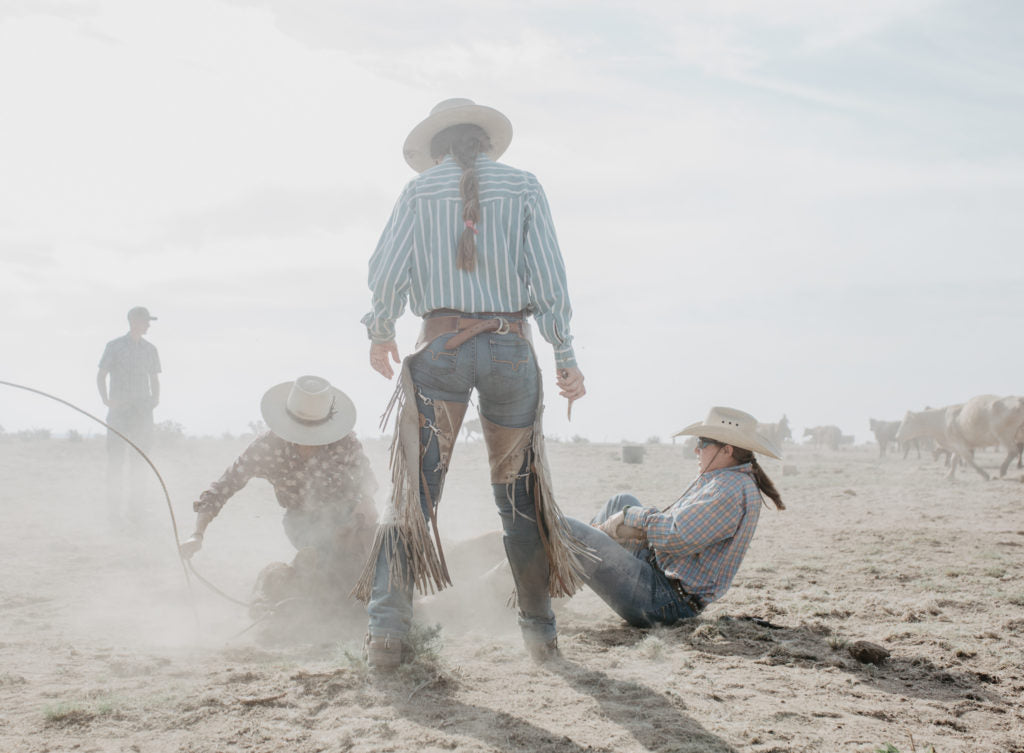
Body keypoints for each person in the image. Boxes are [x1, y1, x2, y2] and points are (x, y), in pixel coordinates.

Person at [353, 97, 588, 669]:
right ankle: (540, 634)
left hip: (439, 349)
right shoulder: (525, 186)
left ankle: (387, 633)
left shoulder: (416, 192)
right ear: (484, 142)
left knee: (413, 492)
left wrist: (381, 329)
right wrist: (565, 352)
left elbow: (385, 270)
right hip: (511, 349)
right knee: (520, 500)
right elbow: (549, 273)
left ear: (437, 149)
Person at [179, 375, 378, 625]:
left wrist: (367, 500)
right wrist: (197, 534)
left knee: (377, 555)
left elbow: (366, 476)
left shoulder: (344, 441)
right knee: (326, 565)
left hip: (349, 516)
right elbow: (224, 486)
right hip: (302, 521)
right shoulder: (267, 447)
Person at [566, 407, 785, 627]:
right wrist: (626, 527)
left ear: (727, 450)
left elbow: (675, 536)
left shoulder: (727, 490)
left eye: (702, 443)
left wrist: (628, 517)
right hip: (662, 581)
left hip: (661, 600)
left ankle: (547, 605)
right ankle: (558, 594)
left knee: (571, 528)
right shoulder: (723, 480)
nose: (696, 451)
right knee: (621, 500)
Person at [96, 305, 161, 525]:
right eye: (146, 321)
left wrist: (154, 400)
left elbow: (154, 378)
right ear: (134, 321)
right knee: (116, 462)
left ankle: (137, 513)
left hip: (142, 413)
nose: (149, 325)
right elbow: (101, 375)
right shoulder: (114, 347)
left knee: (140, 462)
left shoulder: (150, 349)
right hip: (119, 413)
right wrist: (106, 400)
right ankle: (113, 514)